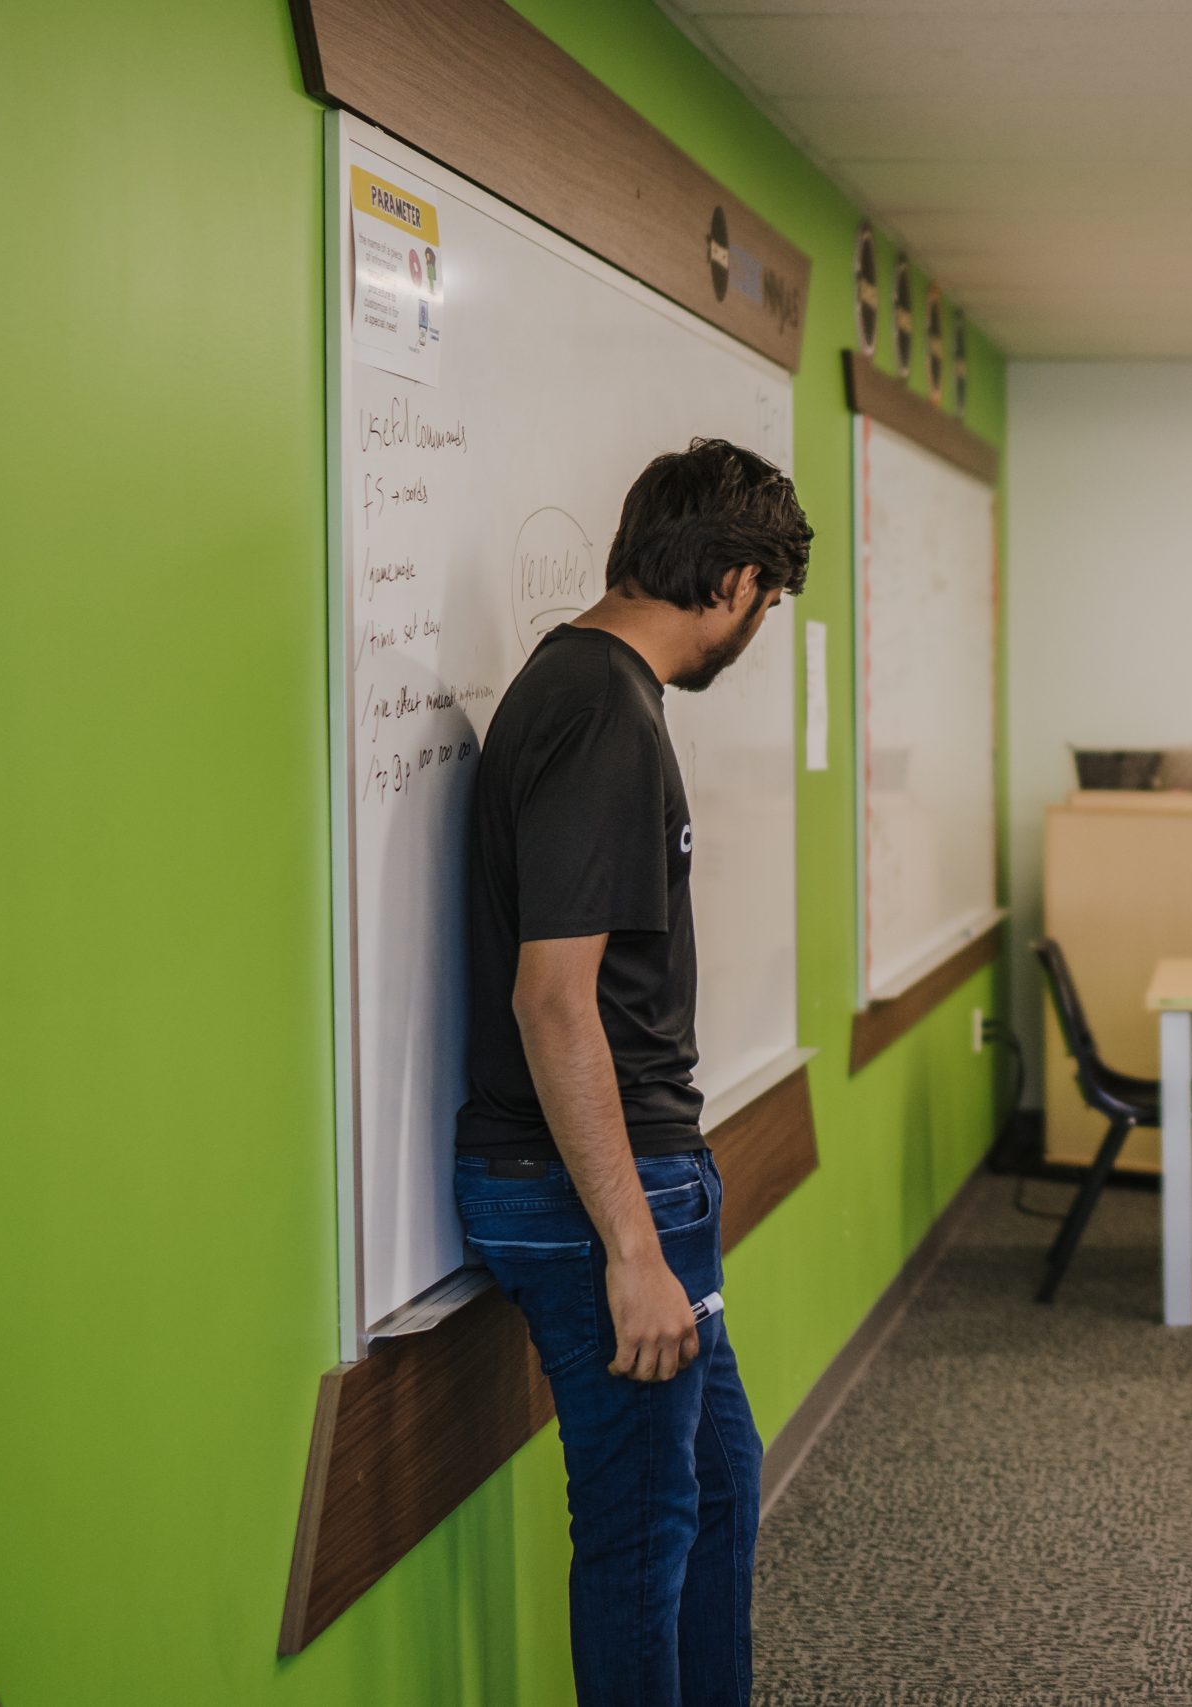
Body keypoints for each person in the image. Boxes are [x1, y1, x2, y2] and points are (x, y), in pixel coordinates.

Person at [456, 437, 812, 1706]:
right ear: (730, 581)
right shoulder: (602, 712)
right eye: (766, 602)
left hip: (630, 1182)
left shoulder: (586, 690)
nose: (757, 627)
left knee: (715, 1484)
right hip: (601, 1196)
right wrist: (631, 1249)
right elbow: (554, 1001)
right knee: (644, 1525)